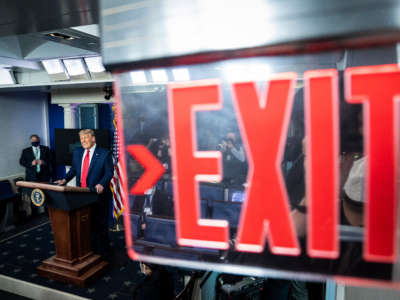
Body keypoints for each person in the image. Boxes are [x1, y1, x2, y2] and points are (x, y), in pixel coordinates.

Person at [55, 129, 114, 259]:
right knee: (85, 223)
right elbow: (75, 169)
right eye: (81, 139)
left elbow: (109, 172)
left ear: (93, 139)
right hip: (81, 195)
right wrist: (65, 179)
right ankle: (89, 250)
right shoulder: (77, 152)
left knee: (100, 225)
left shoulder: (104, 153)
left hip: (98, 195)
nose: (83, 141)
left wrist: (102, 184)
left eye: (86, 138)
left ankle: (104, 253)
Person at [19, 134, 53, 218]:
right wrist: (31, 163)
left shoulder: (45, 149)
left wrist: (44, 162)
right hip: (31, 177)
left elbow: (51, 159)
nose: (35, 142)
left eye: (36, 140)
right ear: (30, 141)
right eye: (33, 141)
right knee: (33, 195)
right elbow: (21, 162)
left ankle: (47, 213)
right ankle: (34, 214)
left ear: (39, 140)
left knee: (46, 194)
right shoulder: (25, 151)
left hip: (44, 176)